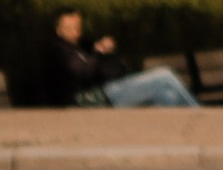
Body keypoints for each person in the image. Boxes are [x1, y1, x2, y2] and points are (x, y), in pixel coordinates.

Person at [45, 11, 196, 111]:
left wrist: (102, 48)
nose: (75, 32)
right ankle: (204, 117)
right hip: (96, 99)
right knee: (165, 75)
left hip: (109, 90)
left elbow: (99, 61)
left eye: (78, 27)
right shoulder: (59, 49)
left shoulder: (79, 44)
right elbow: (81, 70)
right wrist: (98, 53)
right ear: (59, 30)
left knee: (167, 97)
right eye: (69, 28)